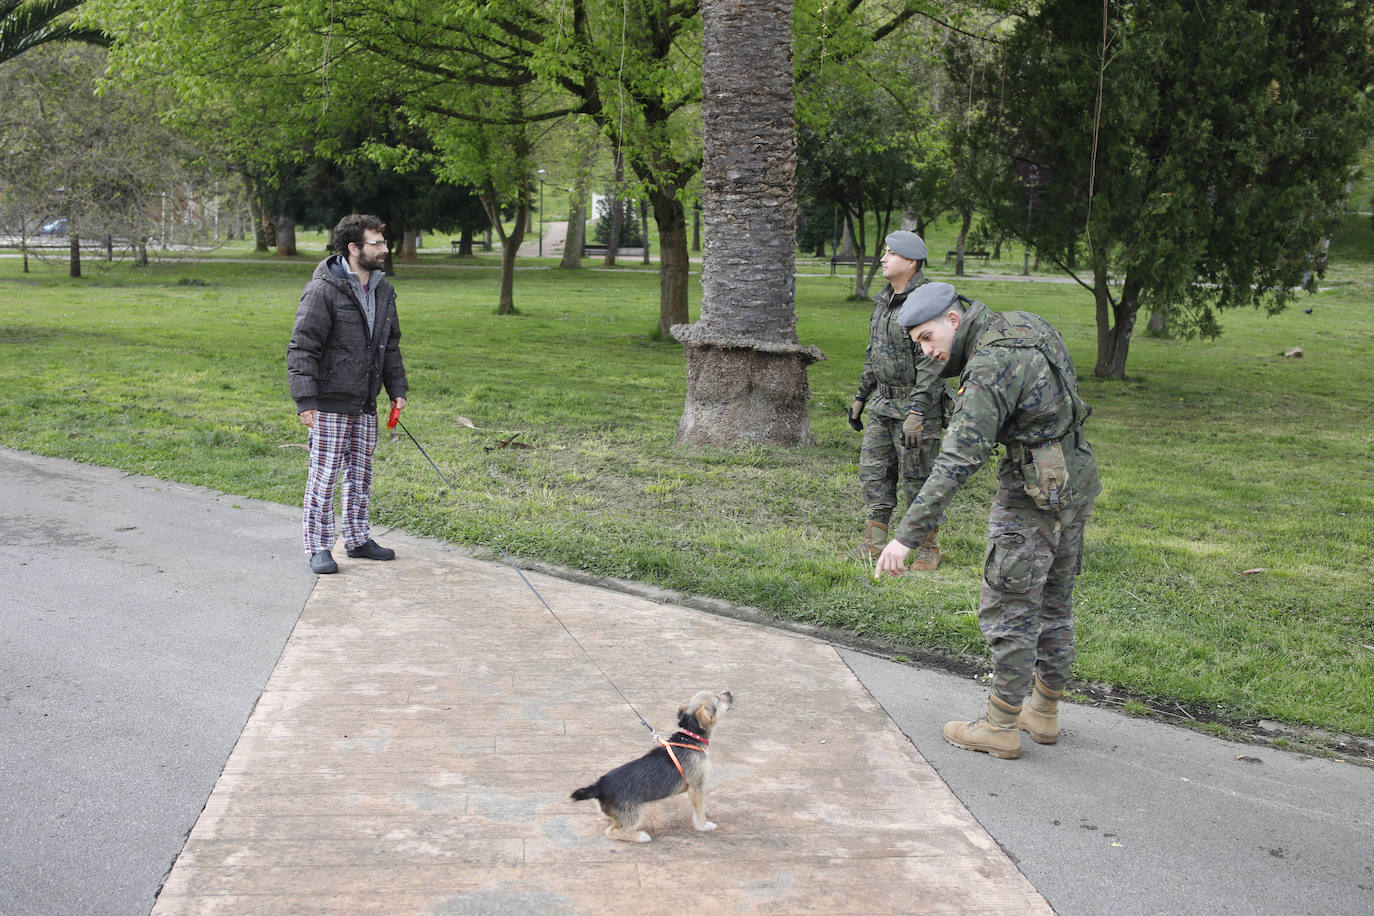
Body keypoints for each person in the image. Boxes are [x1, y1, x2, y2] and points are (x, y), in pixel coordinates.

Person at [875, 282, 1100, 760]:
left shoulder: (989, 366)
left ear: (953, 320)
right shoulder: (1025, 324)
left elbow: (957, 459)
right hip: (1075, 479)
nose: (929, 352)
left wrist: (905, 538)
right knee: (1057, 602)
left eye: (927, 338)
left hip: (1032, 493)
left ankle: (1000, 726)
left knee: (1011, 605)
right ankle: (1043, 712)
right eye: (918, 343)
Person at [287, 214, 409, 575]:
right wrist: (305, 399)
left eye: (384, 243)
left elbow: (390, 346)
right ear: (354, 248)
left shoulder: (384, 289)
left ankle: (357, 539)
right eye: (377, 243)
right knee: (324, 475)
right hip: (329, 401)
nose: (385, 249)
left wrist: (396, 389)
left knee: (361, 473)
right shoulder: (323, 289)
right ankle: (319, 546)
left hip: (365, 401)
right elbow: (302, 347)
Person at [848, 230, 948, 568]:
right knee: (874, 473)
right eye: (885, 251)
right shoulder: (883, 300)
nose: (883, 257)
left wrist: (918, 411)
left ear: (911, 261)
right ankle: (875, 541)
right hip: (883, 404)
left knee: (919, 477)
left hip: (915, 407)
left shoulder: (928, 301)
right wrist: (862, 395)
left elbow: (934, 364)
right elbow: (873, 352)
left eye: (891, 253)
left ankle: (927, 547)